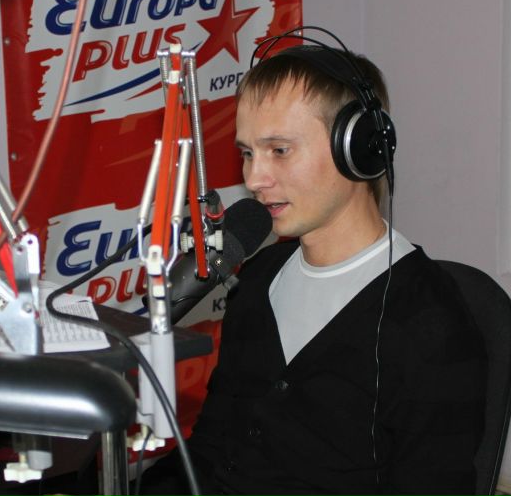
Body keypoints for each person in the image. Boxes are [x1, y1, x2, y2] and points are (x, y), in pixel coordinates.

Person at [140, 35, 487, 495]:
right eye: (248, 153)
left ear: (359, 149)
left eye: (279, 150)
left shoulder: (429, 321)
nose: (254, 179)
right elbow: (210, 450)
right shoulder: (258, 278)